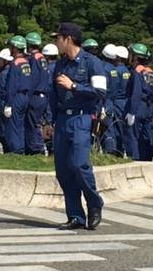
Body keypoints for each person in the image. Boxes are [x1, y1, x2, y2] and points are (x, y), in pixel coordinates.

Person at [50, 22, 105, 230]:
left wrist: (74, 86)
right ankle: (75, 215)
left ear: (68, 39)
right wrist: (50, 121)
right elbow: (53, 94)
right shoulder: (60, 64)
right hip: (63, 119)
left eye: (58, 39)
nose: (56, 43)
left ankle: (94, 203)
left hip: (82, 119)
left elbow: (100, 93)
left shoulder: (93, 63)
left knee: (79, 165)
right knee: (63, 170)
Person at [125, 43, 153, 161]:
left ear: (136, 57)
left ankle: (135, 160)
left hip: (138, 106)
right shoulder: (150, 71)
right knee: (146, 135)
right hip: (149, 106)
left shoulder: (136, 71)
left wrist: (132, 112)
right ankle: (146, 159)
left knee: (133, 135)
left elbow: (136, 92)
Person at [3, 36, 32, 154]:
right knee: (20, 125)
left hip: (16, 97)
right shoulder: (26, 62)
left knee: (14, 125)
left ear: (15, 48)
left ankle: (16, 151)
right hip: (25, 96)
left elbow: (12, 85)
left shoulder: (15, 63)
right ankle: (20, 148)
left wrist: (8, 103)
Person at [25, 32, 48, 155]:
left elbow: (32, 79)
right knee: (38, 123)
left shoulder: (34, 58)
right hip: (43, 95)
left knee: (33, 124)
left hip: (35, 95)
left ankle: (36, 150)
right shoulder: (42, 57)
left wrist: (28, 96)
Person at [99, 44, 119, 154]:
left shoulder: (103, 68)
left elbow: (102, 88)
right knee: (110, 128)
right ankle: (111, 151)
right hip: (111, 102)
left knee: (105, 129)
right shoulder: (114, 69)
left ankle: (109, 152)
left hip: (104, 101)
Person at [42, 43, 59, 154]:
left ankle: (51, 151)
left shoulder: (48, 70)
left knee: (48, 126)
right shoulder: (60, 67)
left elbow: (47, 87)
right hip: (59, 101)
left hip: (50, 100)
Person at [114, 45, 131, 157]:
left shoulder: (116, 71)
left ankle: (119, 151)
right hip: (126, 101)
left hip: (117, 101)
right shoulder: (128, 71)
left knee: (117, 128)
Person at [0, 48, 14, 152]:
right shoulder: (13, 70)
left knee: (2, 131)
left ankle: (7, 150)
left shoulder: (4, 73)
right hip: (12, 102)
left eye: (1, 60)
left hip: (3, 102)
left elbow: (2, 90)